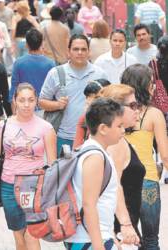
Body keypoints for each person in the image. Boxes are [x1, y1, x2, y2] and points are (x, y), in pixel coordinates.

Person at [0, 83, 57, 250]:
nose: (26, 104)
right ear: (14, 101)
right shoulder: (3, 126)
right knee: (18, 234)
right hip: (8, 185)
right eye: (22, 100)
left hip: (34, 186)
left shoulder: (46, 128)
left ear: (36, 101)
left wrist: (52, 194)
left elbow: (53, 165)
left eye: (31, 100)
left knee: (32, 232)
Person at [64, 98, 124, 249]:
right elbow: (89, 204)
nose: (123, 130)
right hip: (88, 240)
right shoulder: (95, 157)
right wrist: (98, 244)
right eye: (119, 126)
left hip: (91, 237)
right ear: (103, 128)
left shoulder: (92, 150)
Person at [121, 64, 168, 249]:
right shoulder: (153, 114)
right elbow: (165, 154)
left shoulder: (116, 112)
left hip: (122, 182)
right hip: (147, 180)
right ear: (143, 86)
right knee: (151, 240)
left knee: (124, 237)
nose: (154, 87)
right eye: (151, 84)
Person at [39, 34, 107, 154]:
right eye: (76, 49)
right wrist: (57, 105)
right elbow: (42, 102)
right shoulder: (56, 73)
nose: (80, 52)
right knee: (63, 172)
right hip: (62, 138)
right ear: (68, 52)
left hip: (91, 138)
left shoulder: (99, 74)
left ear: (89, 52)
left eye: (83, 49)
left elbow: (108, 105)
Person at [100, 84, 145, 243]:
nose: (137, 110)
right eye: (132, 106)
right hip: (119, 228)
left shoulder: (116, 138)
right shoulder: (115, 143)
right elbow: (115, 184)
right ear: (116, 109)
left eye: (137, 105)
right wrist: (125, 225)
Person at [10, 28, 55, 110]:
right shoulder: (51, 64)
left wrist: (14, 111)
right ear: (41, 43)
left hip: (24, 107)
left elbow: (14, 88)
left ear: (26, 44)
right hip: (44, 108)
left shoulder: (18, 63)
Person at [73, 79, 110, 149]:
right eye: (87, 97)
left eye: (97, 97)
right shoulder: (84, 118)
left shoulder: (114, 119)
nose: (89, 101)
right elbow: (76, 148)